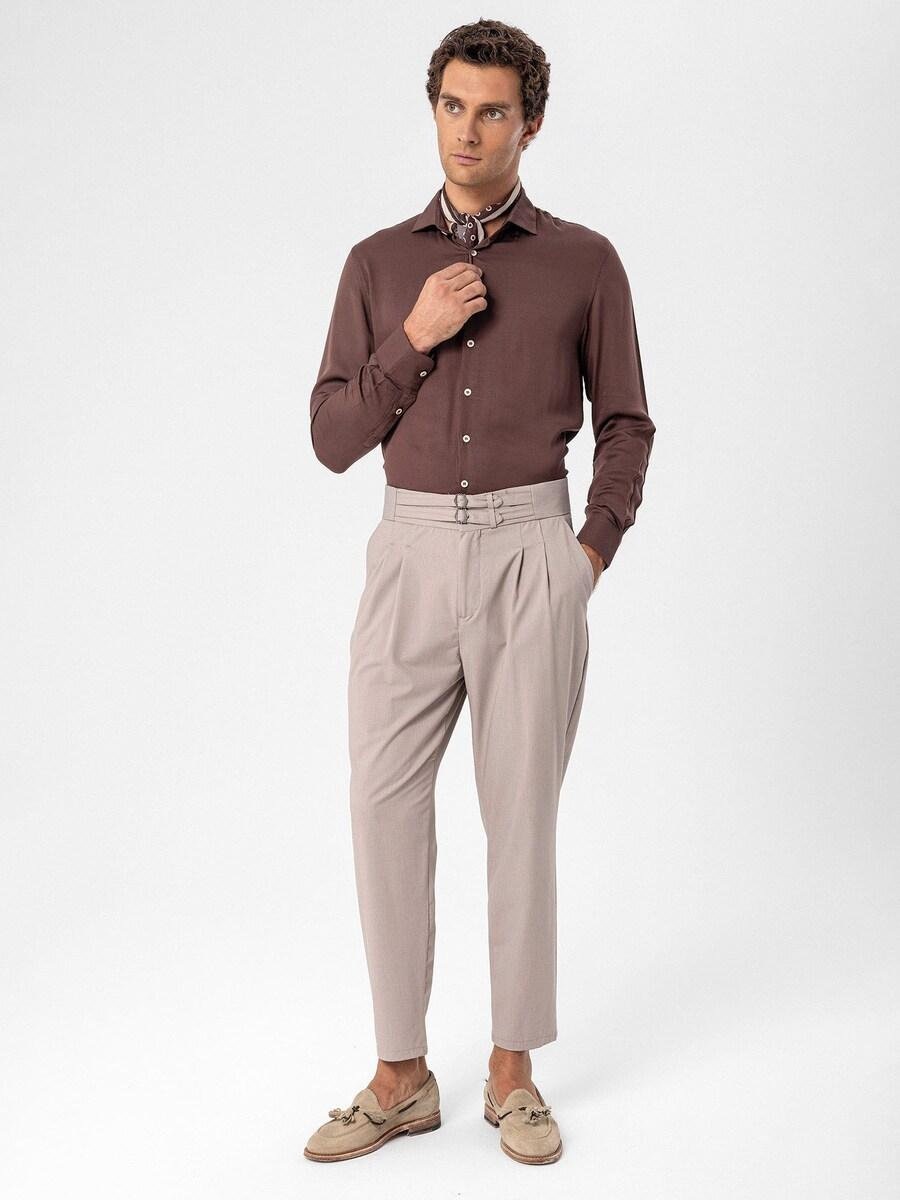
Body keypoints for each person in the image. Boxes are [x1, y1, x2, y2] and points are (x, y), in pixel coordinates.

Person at [303, 18, 655, 1166]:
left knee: (521, 819)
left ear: (530, 125)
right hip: (406, 552)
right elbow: (331, 438)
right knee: (380, 805)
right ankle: (399, 1075)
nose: (468, 130)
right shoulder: (377, 265)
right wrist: (413, 335)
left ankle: (513, 1071)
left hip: (529, 552)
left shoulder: (584, 262)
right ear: (434, 111)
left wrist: (585, 554)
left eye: (492, 111)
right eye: (453, 106)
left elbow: (627, 422)